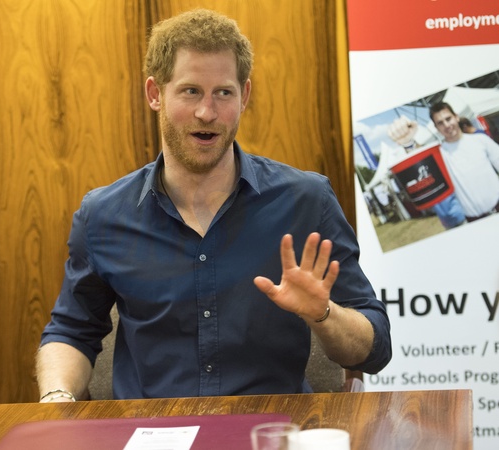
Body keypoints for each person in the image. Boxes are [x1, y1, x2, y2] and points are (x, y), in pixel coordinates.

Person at [36, 9, 392, 403]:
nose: (207, 112)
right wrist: (57, 396)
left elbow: (375, 350)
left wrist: (323, 315)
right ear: (155, 94)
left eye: (223, 93)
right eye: (190, 91)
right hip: (152, 429)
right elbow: (72, 332)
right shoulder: (103, 215)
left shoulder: (306, 201)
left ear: (244, 97)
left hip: (269, 428)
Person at [388, 102, 499, 222]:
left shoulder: (480, 140)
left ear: (456, 117)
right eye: (440, 123)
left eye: (448, 119)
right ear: (436, 127)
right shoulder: (439, 154)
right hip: (473, 220)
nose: (446, 125)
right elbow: (418, 160)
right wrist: (408, 142)